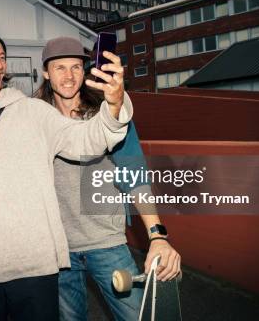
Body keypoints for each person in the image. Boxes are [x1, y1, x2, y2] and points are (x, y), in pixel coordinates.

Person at [0, 29, 133, 320]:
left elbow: (86, 140)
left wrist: (114, 105)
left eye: (1, 57)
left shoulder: (34, 112)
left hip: (36, 268)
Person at [34, 37, 181, 321]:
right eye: (60, 67)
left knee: (138, 317)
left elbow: (133, 172)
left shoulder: (108, 114)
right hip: (57, 250)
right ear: (45, 72)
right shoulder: (35, 118)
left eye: (76, 67)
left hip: (107, 243)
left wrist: (157, 236)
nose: (69, 76)